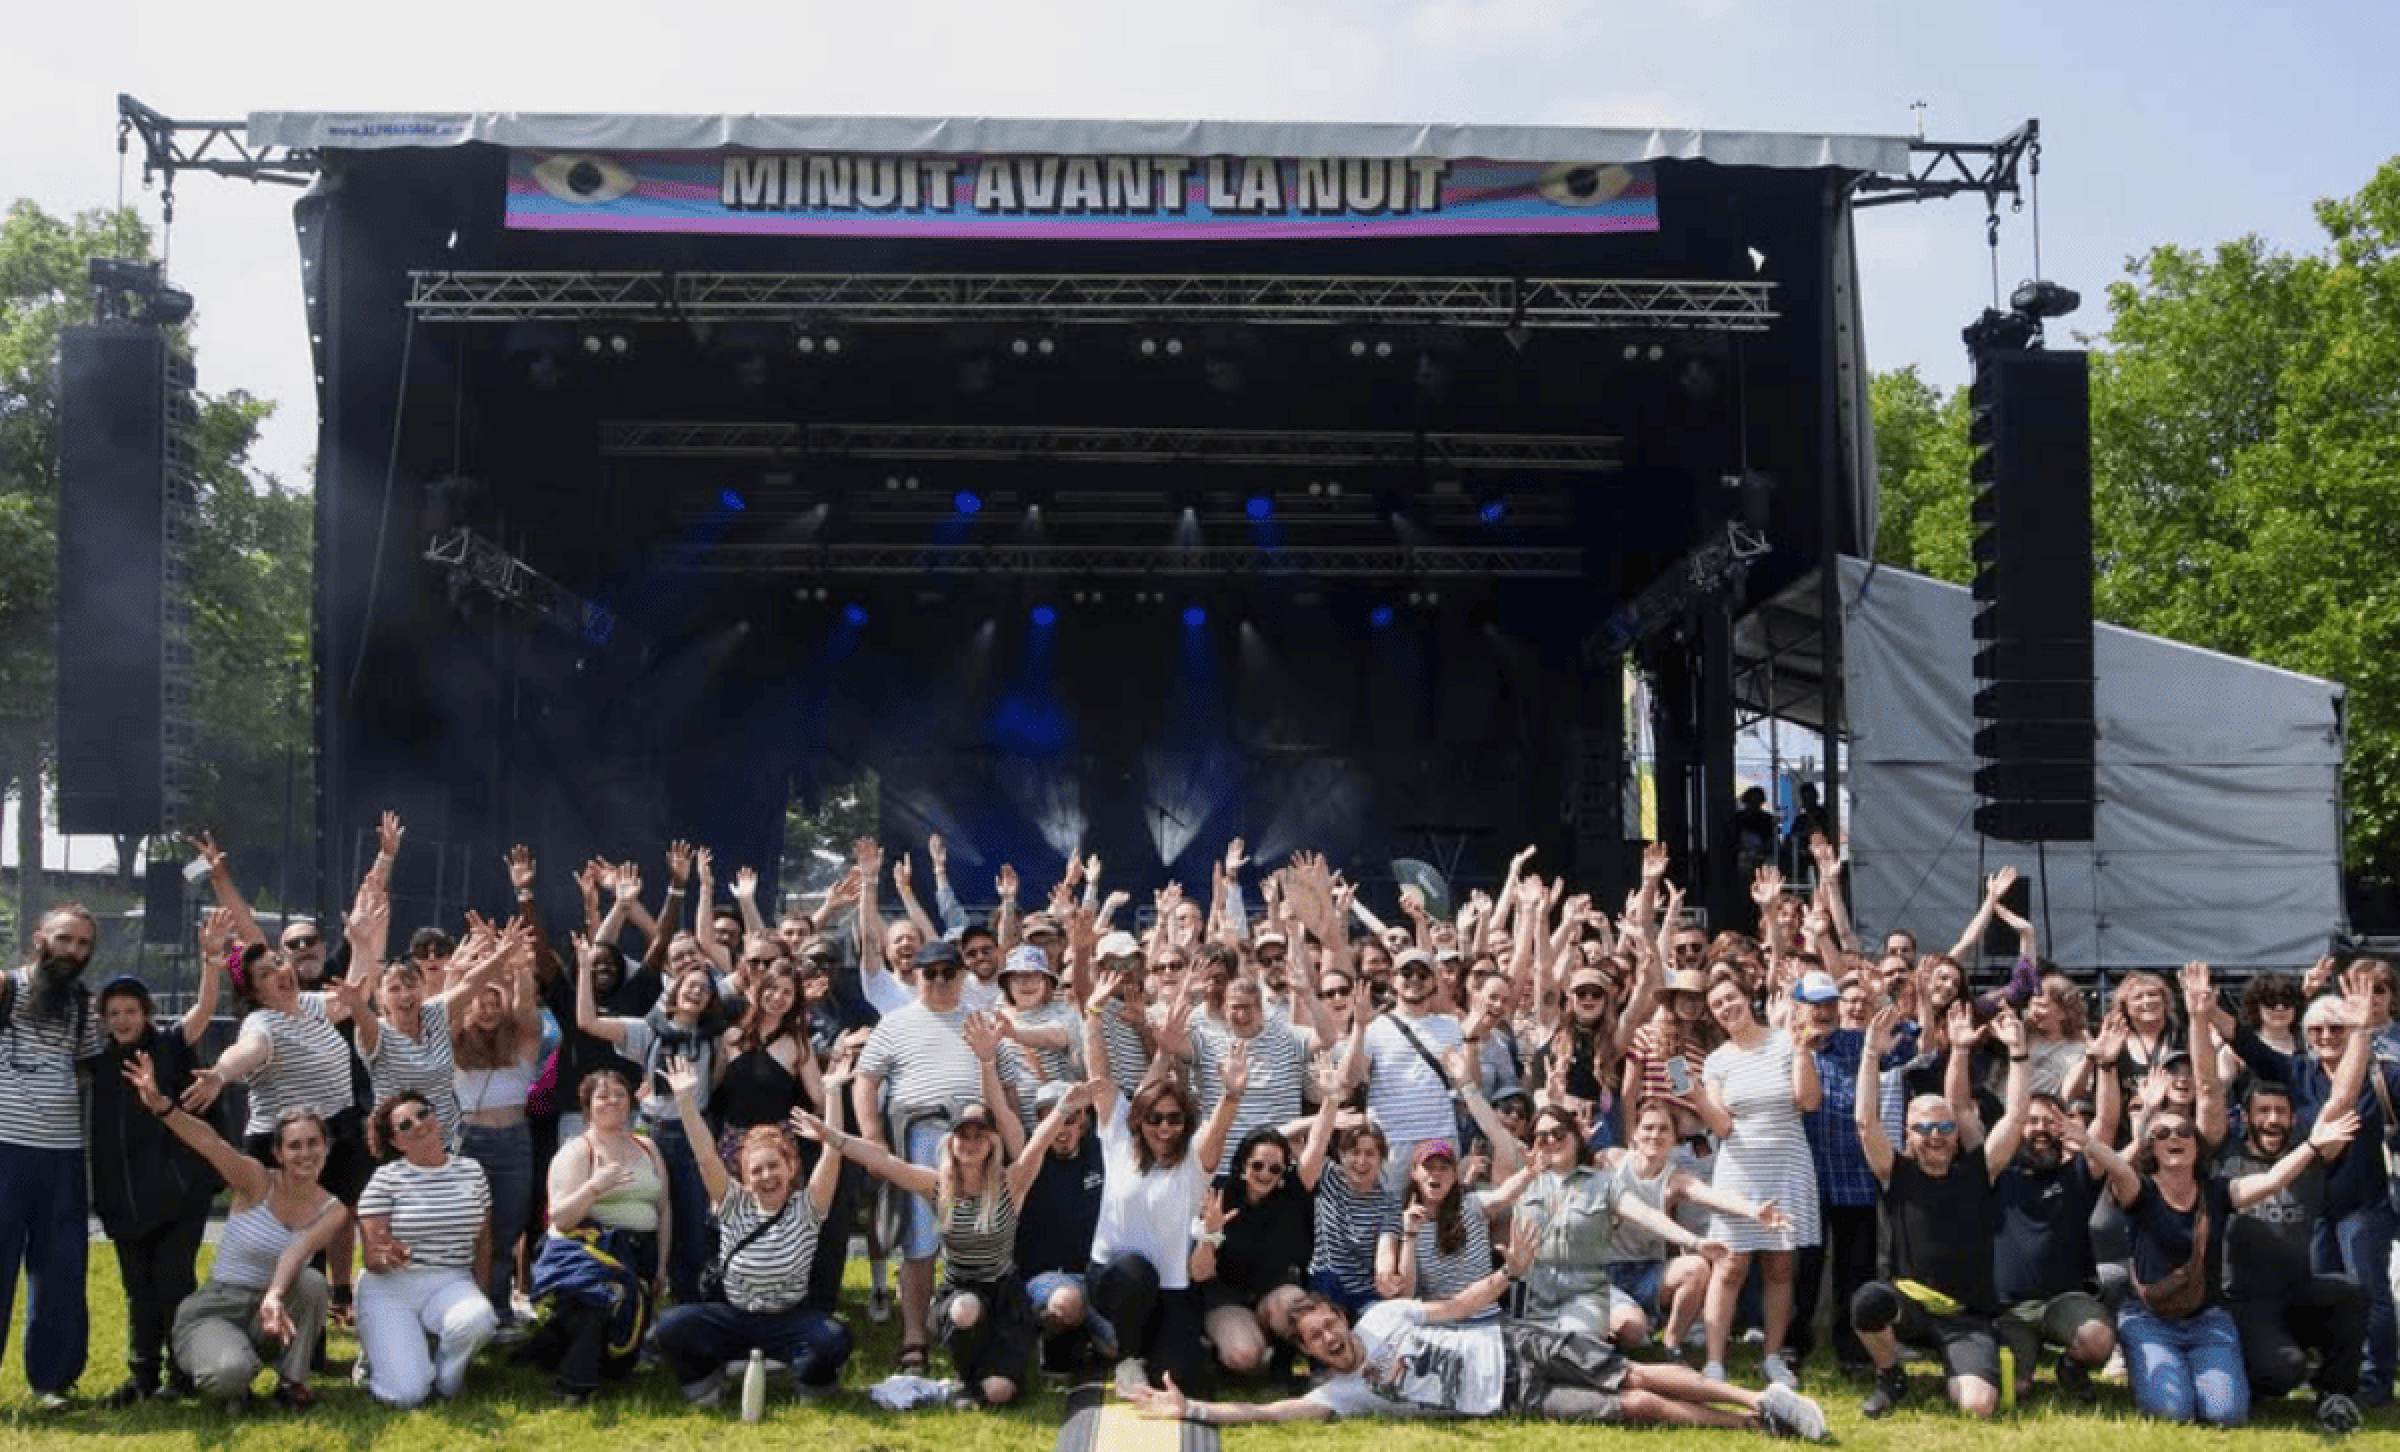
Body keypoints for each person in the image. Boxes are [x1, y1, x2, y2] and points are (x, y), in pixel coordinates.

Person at [1124, 1216, 1828, 1439]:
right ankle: (1752, 1430)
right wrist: (1194, 1408)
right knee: (1633, 1406)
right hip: (1509, 1398)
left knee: (1634, 1370)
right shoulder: (1343, 1395)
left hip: (1513, 1343)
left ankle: (1756, 1399)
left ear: (1339, 1317)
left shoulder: (1387, 1314)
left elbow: (1457, 1309)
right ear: (1309, 1351)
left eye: (1328, 1328)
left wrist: (1504, 1276)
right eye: (1313, 1343)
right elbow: (1268, 1410)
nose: (1329, 1341)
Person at [805, 1083, 1088, 1404]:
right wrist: (832, 1137)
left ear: (992, 1142)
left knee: (999, 1392)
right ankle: (967, 1376)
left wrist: (1064, 1109)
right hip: (960, 1294)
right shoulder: (938, 1186)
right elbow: (883, 1161)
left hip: (1004, 1298)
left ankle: (989, 1378)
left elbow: (1038, 1143)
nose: (970, 1143)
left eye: (978, 1135)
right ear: (951, 1142)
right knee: (965, 1310)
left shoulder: (1011, 1183)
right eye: (963, 1136)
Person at [2098, 1092, 2359, 1427]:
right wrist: (2100, 1138)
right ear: (2151, 1149)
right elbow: (2116, 1166)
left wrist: (2311, 1145)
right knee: (2172, 1412)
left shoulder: (2219, 1191)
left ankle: (2190, 1370)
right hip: (2151, 1319)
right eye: (2162, 1134)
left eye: (2183, 1132)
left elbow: (2271, 1180)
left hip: (2207, 1320)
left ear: (2197, 1145)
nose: (2174, 1138)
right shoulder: (2139, 1191)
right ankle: (2149, 1365)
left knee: (2227, 1415)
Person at [121, 1052, 347, 1410]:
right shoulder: (256, 1181)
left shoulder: (332, 1209)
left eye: (313, 1143)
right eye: (294, 1145)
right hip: (218, 1307)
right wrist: (162, 1106)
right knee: (229, 1373)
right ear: (278, 1153)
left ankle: (291, 1384)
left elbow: (297, 1251)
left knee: (313, 1283)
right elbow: (210, 1143)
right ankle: (231, 1370)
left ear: (326, 1147)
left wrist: (273, 1296)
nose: (305, 1153)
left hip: (269, 1312)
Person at [1850, 1003, 2024, 1419]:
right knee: (1867, 1302)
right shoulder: (1894, 1170)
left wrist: (2018, 1054)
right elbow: (1864, 1120)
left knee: (1978, 1407)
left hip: (1966, 1316)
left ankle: (1961, 1368)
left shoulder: (1979, 1169)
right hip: (1908, 1307)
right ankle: (1891, 1375)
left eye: (1945, 1127)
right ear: (1907, 1133)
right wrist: (1871, 1056)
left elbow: (2016, 1117)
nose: (1935, 1137)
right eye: (1924, 1128)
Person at [654, 1054, 851, 1406]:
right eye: (755, 1171)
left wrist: (833, 1092)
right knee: (669, 1327)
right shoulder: (733, 1203)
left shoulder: (808, 1207)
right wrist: (684, 1100)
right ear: (743, 1178)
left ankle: (807, 1380)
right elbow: (705, 1155)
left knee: (835, 1338)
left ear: (791, 1167)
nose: (766, 1176)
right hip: (734, 1318)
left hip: (789, 1320)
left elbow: (833, 1155)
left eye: (773, 1166)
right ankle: (706, 1379)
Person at [1081, 980, 1246, 1395]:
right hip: (1116, 1278)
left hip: (1173, 1288)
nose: (1165, 1127)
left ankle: (1145, 1344)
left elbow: (1217, 1133)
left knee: (1179, 1378)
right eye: (1155, 1119)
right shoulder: (1117, 1136)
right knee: (1136, 1273)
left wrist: (1232, 1095)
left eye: (1174, 1119)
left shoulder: (1193, 1162)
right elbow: (1098, 1075)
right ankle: (1126, 1356)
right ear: (1139, 1121)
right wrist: (1093, 1017)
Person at [88, 919, 222, 1406]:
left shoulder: (169, 1045)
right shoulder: (96, 1062)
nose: (122, 1019)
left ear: (147, 1013)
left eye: (131, 1010)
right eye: (114, 1012)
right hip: (122, 1201)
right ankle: (141, 1376)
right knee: (137, 1290)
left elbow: (207, 1007)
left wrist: (216, 957)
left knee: (174, 1285)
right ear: (103, 1019)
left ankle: (182, 1373)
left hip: (177, 1196)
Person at [851, 934, 989, 1372]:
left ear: (963, 976)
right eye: (931, 973)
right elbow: (865, 1079)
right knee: (919, 1243)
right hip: (918, 1135)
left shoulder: (981, 1020)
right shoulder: (895, 1021)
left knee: (978, 1240)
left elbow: (1001, 1079)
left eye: (950, 972)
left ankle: (972, 1333)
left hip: (974, 1137)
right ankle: (915, 1337)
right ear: (916, 975)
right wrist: (873, 1137)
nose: (941, 981)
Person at [1688, 964, 1820, 1388]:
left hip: (1787, 1165)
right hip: (1738, 1170)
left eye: (1731, 998)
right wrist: (1694, 1096)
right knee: (1729, 1267)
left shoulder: (1786, 1043)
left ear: (1748, 999)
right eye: (1717, 1005)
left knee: (1780, 1267)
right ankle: (1714, 1362)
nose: (1726, 1007)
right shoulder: (1716, 1061)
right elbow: (1722, 1127)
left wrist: (1802, 1050)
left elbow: (1808, 1100)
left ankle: (1773, 1358)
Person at [0, 906, 108, 1406]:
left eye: (84, 943)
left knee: (62, 1269)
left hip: (63, 1154)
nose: (74, 951)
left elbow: (86, 1069)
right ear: (39, 938)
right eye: (65, 939)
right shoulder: (9, 988)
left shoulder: (85, 1005)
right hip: (5, 1149)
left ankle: (52, 1382)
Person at [2217, 1079, 2367, 1430]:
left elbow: (2341, 1099)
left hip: (2294, 1289)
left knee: (2349, 1293)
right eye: (2263, 1111)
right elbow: (2209, 1090)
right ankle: (2249, 1377)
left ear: (2293, 1119)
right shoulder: (2224, 1156)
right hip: (2242, 1299)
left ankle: (2335, 1394)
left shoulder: (2307, 1159)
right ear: (2246, 1118)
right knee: (2282, 1372)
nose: (2272, 1119)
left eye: (2280, 1112)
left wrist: (2361, 1032)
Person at [524, 1067, 671, 1405]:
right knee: (599, 1298)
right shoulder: (577, 1151)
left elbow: (664, 1209)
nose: (613, 1101)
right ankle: (572, 1387)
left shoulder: (647, 1146)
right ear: (587, 1105)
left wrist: (662, 1265)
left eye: (620, 1094)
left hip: (640, 1256)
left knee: (619, 1368)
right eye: (603, 1096)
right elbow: (560, 1219)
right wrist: (593, 1188)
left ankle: (552, 1348)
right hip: (592, 1254)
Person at [354, 1090, 499, 1407]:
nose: (418, 1124)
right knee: (406, 1396)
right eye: (404, 1125)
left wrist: (482, 1293)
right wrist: (386, 1256)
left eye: (422, 1113)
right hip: (390, 1288)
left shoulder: (472, 1171)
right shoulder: (385, 1179)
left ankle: (448, 1383)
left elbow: (484, 1241)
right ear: (396, 1142)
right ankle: (378, 1357)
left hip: (451, 1280)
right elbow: (372, 1257)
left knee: (480, 1319)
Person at [1192, 1125, 1316, 1377]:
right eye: (1257, 1165)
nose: (1265, 1174)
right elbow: (1200, 1274)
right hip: (1226, 1299)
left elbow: (1317, 1147)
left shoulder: (1291, 1196)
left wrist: (1331, 1102)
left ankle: (1282, 1359)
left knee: (1294, 1303)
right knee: (1244, 1356)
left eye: (1275, 1168)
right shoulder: (1219, 1196)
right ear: (1242, 1165)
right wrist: (1211, 1232)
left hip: (1272, 1297)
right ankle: (1223, 1349)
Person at [1347, 947, 1466, 1190]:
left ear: (1434, 981)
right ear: (1393, 978)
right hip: (1391, 1142)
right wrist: (1359, 1027)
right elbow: (1351, 1079)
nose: (1414, 979)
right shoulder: (1373, 1028)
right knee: (1388, 1218)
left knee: (1439, 1217)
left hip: (1439, 1137)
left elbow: (1467, 1083)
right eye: (1407, 972)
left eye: (1423, 974)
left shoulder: (1452, 1026)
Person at [1015, 1078, 1111, 1373]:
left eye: (1070, 1117)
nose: (1062, 1127)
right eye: (1054, 1117)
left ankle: (1083, 1334)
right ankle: (1042, 1332)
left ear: (1083, 1119)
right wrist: (987, 1063)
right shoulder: (1029, 1159)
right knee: (1067, 1303)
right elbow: (1003, 1114)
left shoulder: (1101, 1150)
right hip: (1045, 1279)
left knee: (1115, 1347)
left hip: (1093, 1277)